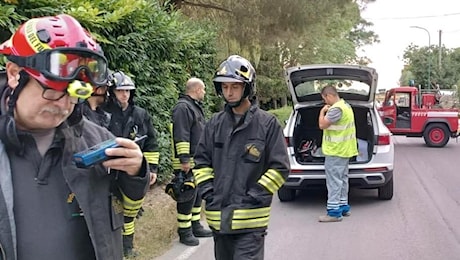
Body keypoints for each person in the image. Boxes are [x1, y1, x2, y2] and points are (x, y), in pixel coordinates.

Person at [0, 14, 150, 260]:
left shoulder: (97, 140)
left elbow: (126, 207)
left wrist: (136, 172)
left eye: (73, 94)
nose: (64, 105)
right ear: (15, 73)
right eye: (52, 91)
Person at [192, 55, 290, 260]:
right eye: (225, 87)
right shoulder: (214, 124)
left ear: (247, 87)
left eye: (235, 86)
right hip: (219, 221)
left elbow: (280, 168)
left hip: (251, 223)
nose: (229, 92)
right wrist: (210, 193)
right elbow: (201, 163)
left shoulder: (267, 124)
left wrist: (254, 196)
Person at [104, 70, 159, 257]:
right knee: (111, 208)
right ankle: (114, 247)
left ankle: (128, 247)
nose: (124, 94)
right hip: (109, 170)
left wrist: (152, 169)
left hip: (132, 170)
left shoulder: (141, 115)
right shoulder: (104, 113)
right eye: (120, 91)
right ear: (112, 92)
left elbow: (151, 141)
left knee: (130, 210)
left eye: (127, 91)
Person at [171, 77, 212, 246]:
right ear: (196, 90)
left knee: (196, 196)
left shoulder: (193, 107)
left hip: (197, 160)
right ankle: (185, 232)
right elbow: (182, 135)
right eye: (203, 89)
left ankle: (195, 226)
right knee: (186, 197)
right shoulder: (183, 108)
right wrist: (184, 159)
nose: (204, 92)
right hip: (186, 162)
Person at [318, 85, 358, 222]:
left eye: (324, 99)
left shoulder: (335, 109)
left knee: (334, 181)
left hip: (336, 150)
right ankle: (343, 207)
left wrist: (322, 112)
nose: (325, 103)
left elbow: (322, 125)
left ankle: (334, 213)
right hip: (345, 150)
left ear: (329, 96)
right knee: (342, 179)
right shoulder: (346, 106)